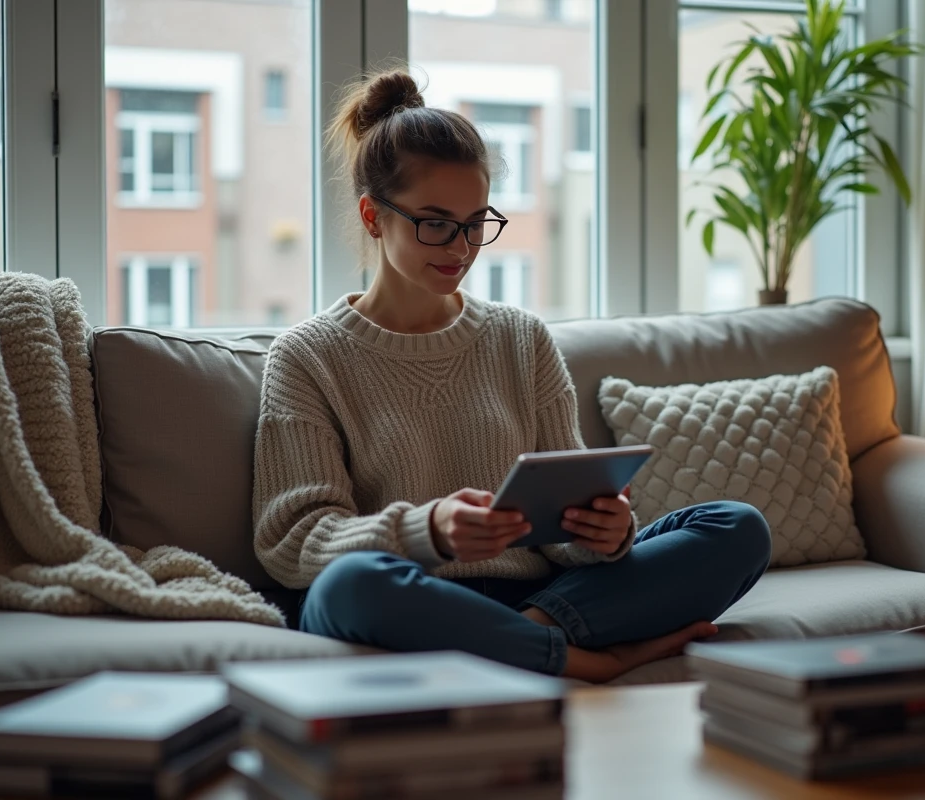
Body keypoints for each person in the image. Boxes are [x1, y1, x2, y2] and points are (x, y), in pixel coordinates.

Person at [252, 69, 771, 683]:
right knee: (350, 587)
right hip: (414, 595)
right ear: (373, 216)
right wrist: (430, 530)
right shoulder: (306, 357)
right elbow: (293, 543)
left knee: (735, 528)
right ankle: (585, 661)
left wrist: (603, 532)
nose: (461, 248)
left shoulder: (520, 338)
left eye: (477, 223)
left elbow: (563, 526)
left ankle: (527, 640)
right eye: (436, 222)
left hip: (544, 596)